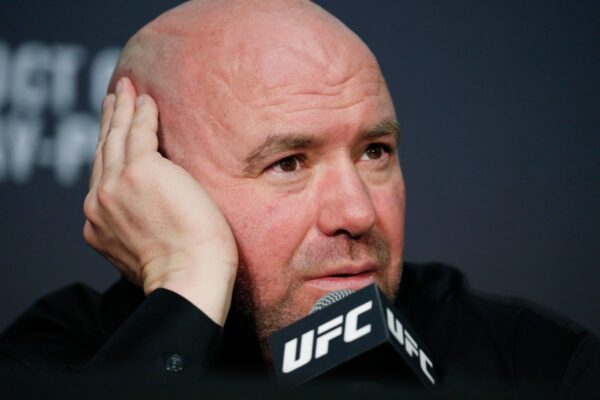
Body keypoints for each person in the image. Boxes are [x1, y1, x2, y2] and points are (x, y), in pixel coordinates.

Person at [1, 0, 598, 398]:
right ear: (157, 182)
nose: (358, 213)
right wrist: (190, 278)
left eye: (375, 152)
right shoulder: (57, 358)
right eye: (288, 163)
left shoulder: (531, 363)